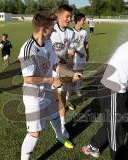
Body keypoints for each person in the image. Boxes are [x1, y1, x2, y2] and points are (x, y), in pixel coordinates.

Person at [18, 11, 82, 160]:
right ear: (42, 27)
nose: (54, 29)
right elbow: (27, 78)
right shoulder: (27, 50)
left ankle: (60, 137)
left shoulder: (47, 43)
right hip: (33, 96)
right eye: (52, 26)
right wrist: (51, 81)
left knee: (54, 116)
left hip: (46, 92)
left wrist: (71, 74)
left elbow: (55, 65)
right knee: (35, 134)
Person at [50, 4, 75, 138]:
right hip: (48, 69)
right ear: (59, 16)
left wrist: (69, 64)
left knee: (62, 96)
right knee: (46, 97)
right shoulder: (50, 29)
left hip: (63, 68)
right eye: (67, 16)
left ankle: (61, 124)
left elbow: (71, 51)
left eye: (71, 16)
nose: (69, 19)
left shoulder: (71, 32)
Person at [71, 12, 89, 96]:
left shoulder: (84, 32)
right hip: (73, 57)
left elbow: (86, 44)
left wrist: (87, 54)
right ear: (78, 21)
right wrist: (78, 53)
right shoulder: (70, 32)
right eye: (83, 20)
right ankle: (72, 89)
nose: (84, 22)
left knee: (81, 74)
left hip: (82, 57)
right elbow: (69, 46)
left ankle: (77, 89)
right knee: (74, 74)